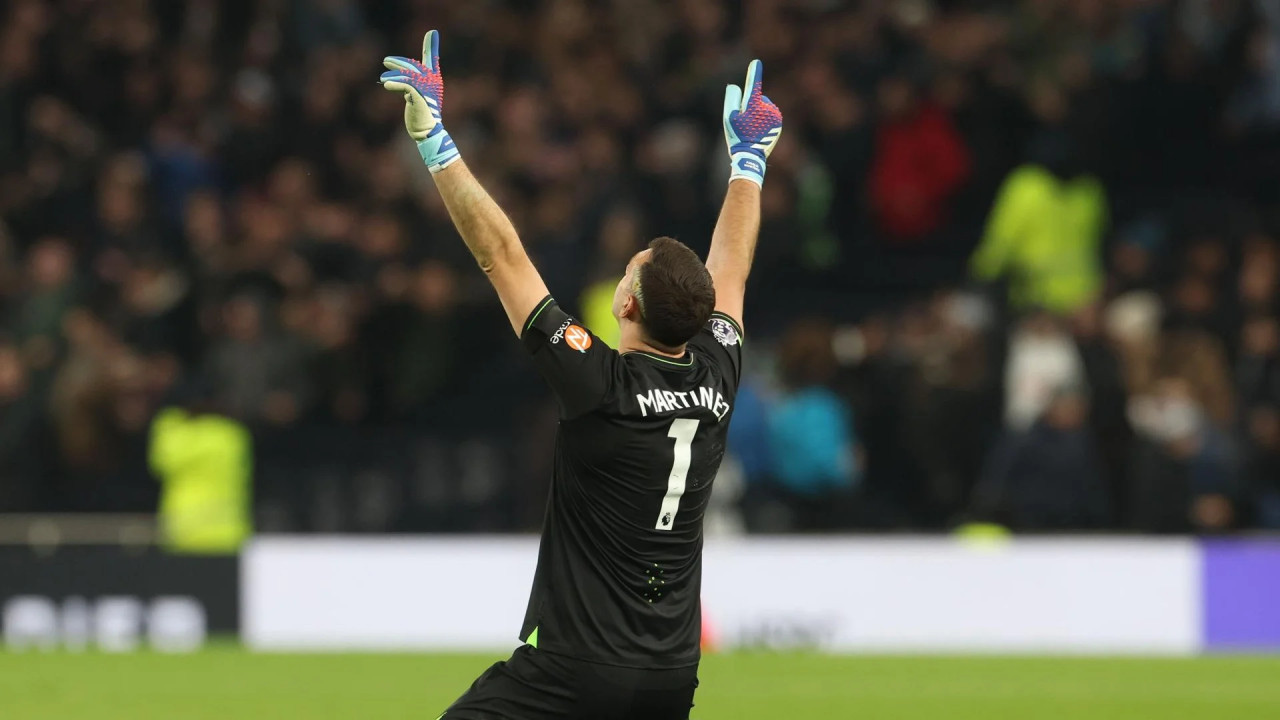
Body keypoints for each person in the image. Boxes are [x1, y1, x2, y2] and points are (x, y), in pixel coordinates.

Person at [378, 31, 781, 720]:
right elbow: (733, 268)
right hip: (671, 674)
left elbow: (500, 254)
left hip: (573, 671)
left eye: (628, 271)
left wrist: (435, 142)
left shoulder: (600, 384)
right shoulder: (718, 372)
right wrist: (749, 163)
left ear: (625, 305)